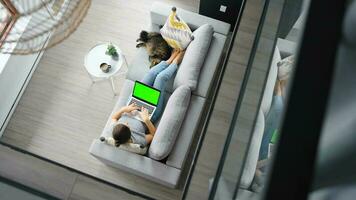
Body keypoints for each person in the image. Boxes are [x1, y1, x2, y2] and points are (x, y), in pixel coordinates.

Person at [110, 49, 185, 147]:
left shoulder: (114, 131)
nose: (127, 122)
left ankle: (169, 60)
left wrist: (125, 109)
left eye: (123, 123)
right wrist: (146, 120)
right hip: (150, 113)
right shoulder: (138, 141)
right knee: (160, 78)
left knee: (150, 75)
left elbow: (114, 117)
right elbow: (153, 135)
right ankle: (175, 62)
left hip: (133, 103)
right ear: (129, 136)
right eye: (127, 126)